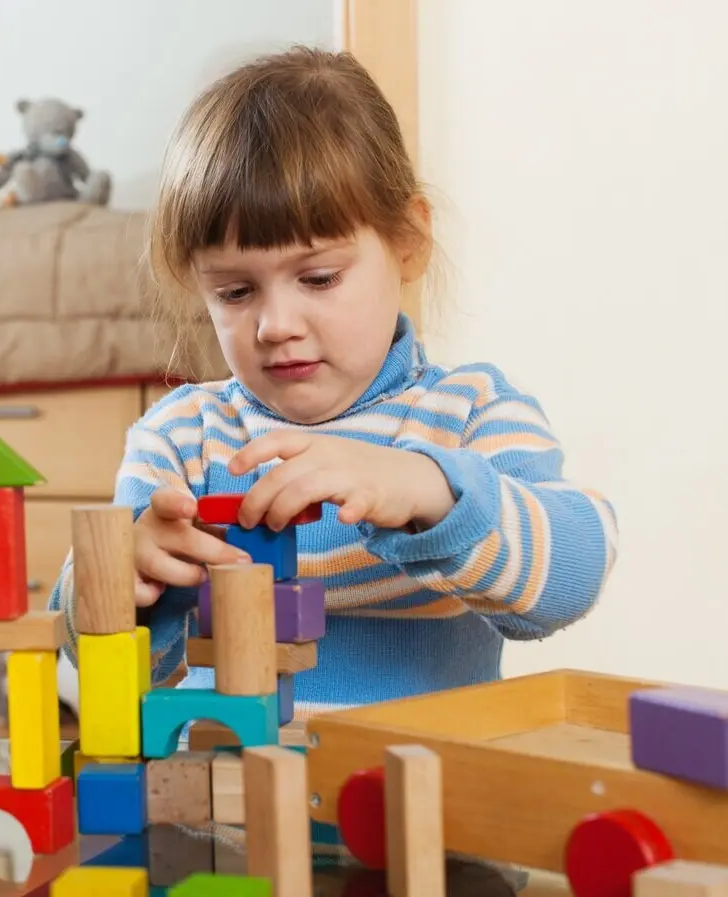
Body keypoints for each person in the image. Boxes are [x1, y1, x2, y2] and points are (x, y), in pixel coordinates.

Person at [49, 47, 618, 720]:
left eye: (318, 278)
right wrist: (118, 575)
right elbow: (93, 659)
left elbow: (571, 578)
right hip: (223, 797)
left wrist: (426, 488)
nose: (276, 324)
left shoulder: (471, 412)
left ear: (408, 240)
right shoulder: (181, 438)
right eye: (235, 291)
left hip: (421, 799)